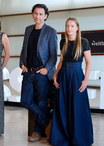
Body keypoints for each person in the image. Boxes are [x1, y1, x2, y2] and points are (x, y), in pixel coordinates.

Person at [49, 17, 94, 146]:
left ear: (77, 28)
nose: (69, 28)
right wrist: (56, 75)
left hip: (76, 76)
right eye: (68, 26)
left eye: (72, 26)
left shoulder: (83, 42)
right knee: (62, 107)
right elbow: (61, 60)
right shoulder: (63, 42)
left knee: (77, 107)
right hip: (63, 75)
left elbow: (89, 62)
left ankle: (79, 138)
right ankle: (62, 138)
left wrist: (85, 80)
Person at [19, 4, 58, 142]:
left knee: (42, 103)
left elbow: (54, 55)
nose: (38, 16)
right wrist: (22, 63)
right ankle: (47, 122)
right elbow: (24, 49)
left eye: (41, 14)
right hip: (28, 72)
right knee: (25, 101)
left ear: (46, 16)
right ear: (33, 14)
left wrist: (46, 69)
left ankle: (36, 132)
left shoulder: (50, 31)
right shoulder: (28, 29)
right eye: (36, 13)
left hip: (42, 72)